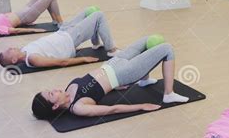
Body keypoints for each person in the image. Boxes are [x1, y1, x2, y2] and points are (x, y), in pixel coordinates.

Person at [31, 36, 190, 119]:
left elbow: (96, 86)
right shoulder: (78, 107)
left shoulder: (67, 90)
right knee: (167, 48)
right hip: (125, 72)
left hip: (113, 62)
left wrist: (113, 87)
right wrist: (141, 106)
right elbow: (112, 109)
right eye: (51, 94)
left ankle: (145, 80)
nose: (54, 90)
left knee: (149, 39)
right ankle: (169, 94)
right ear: (54, 106)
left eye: (50, 90)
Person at [0, 9, 118, 68]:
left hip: (62, 31)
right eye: (9, 51)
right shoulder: (32, 58)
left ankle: (96, 43)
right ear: (14, 60)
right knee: (99, 15)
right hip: (69, 40)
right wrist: (84, 59)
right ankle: (111, 50)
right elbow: (61, 62)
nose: (10, 48)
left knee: (88, 11)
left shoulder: (24, 50)